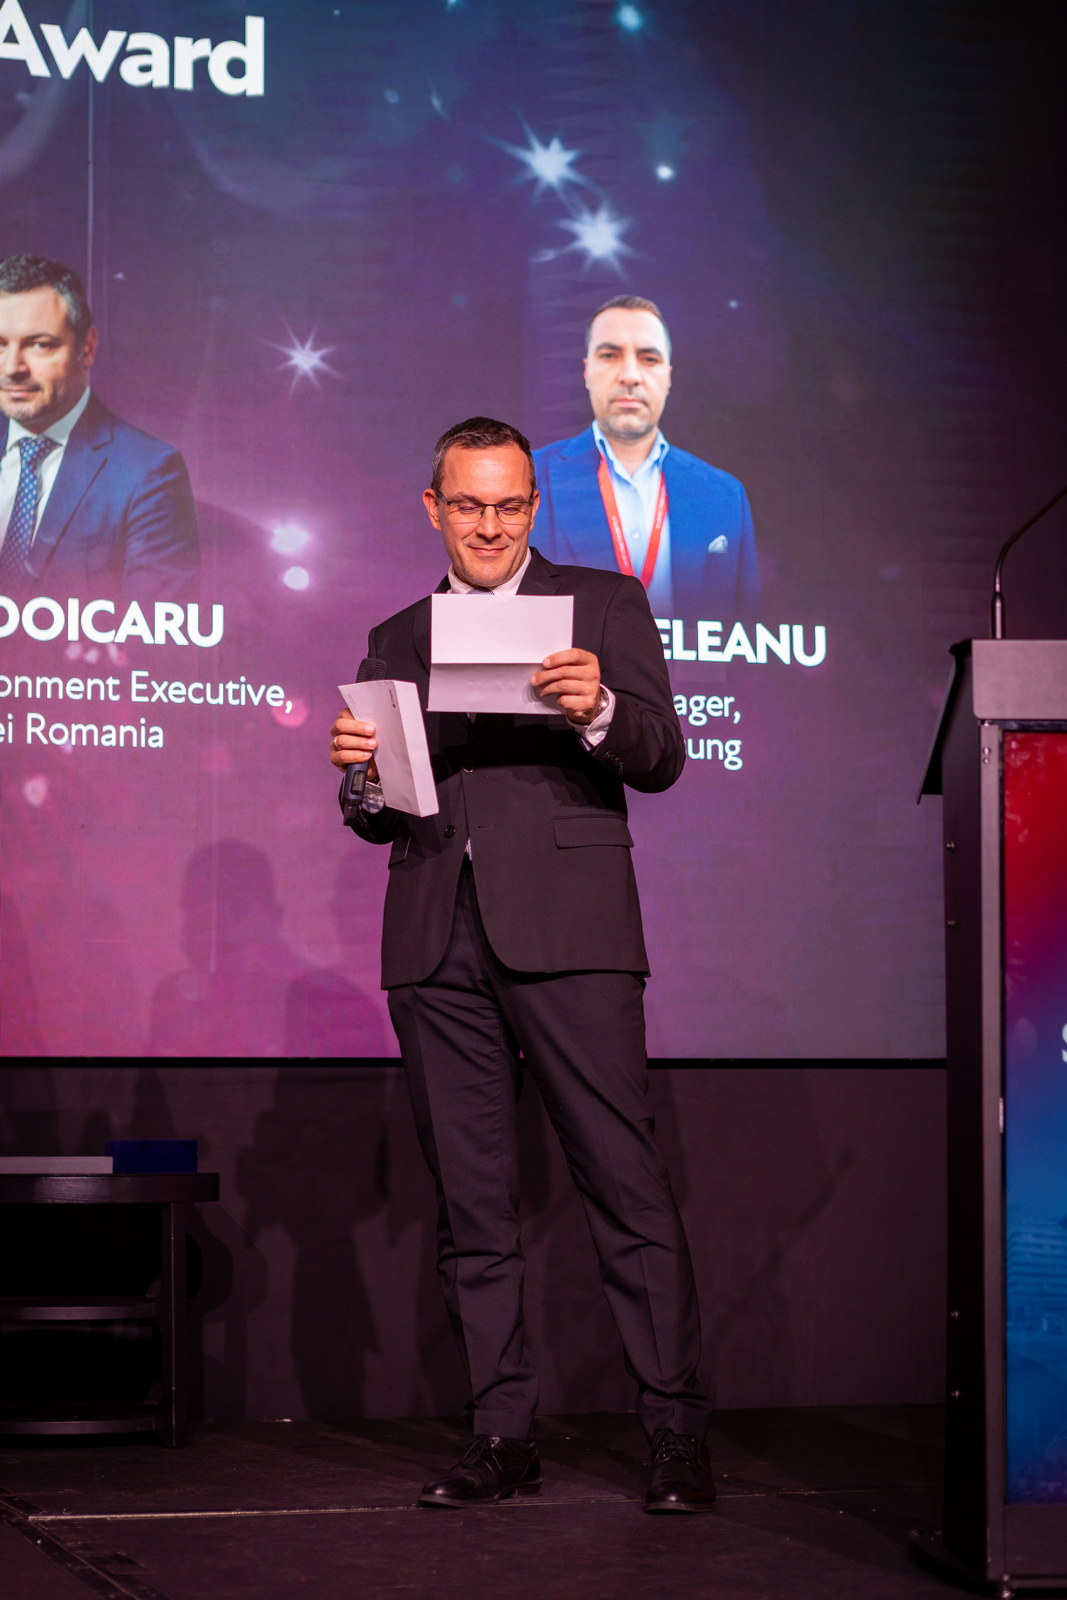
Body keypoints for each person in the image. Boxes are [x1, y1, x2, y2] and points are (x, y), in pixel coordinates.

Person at [328, 416, 715, 1514]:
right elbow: (374, 812)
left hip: (572, 932)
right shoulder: (396, 635)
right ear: (433, 509)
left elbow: (662, 754)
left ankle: (674, 1434)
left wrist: (599, 708)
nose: (489, 525)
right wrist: (358, 776)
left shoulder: (603, 605)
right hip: (435, 937)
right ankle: (501, 1434)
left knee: (624, 1184)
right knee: (472, 1203)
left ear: (533, 507)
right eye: (468, 505)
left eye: (507, 505)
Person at [532, 294, 759, 624]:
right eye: (610, 355)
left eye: (649, 358)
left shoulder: (725, 495)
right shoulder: (530, 479)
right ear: (586, 371)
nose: (630, 375)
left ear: (668, 376)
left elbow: (748, 633)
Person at [0, 254, 199, 601]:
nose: (12, 368)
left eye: (39, 344)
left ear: (87, 348)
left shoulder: (149, 471)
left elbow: (153, 627)